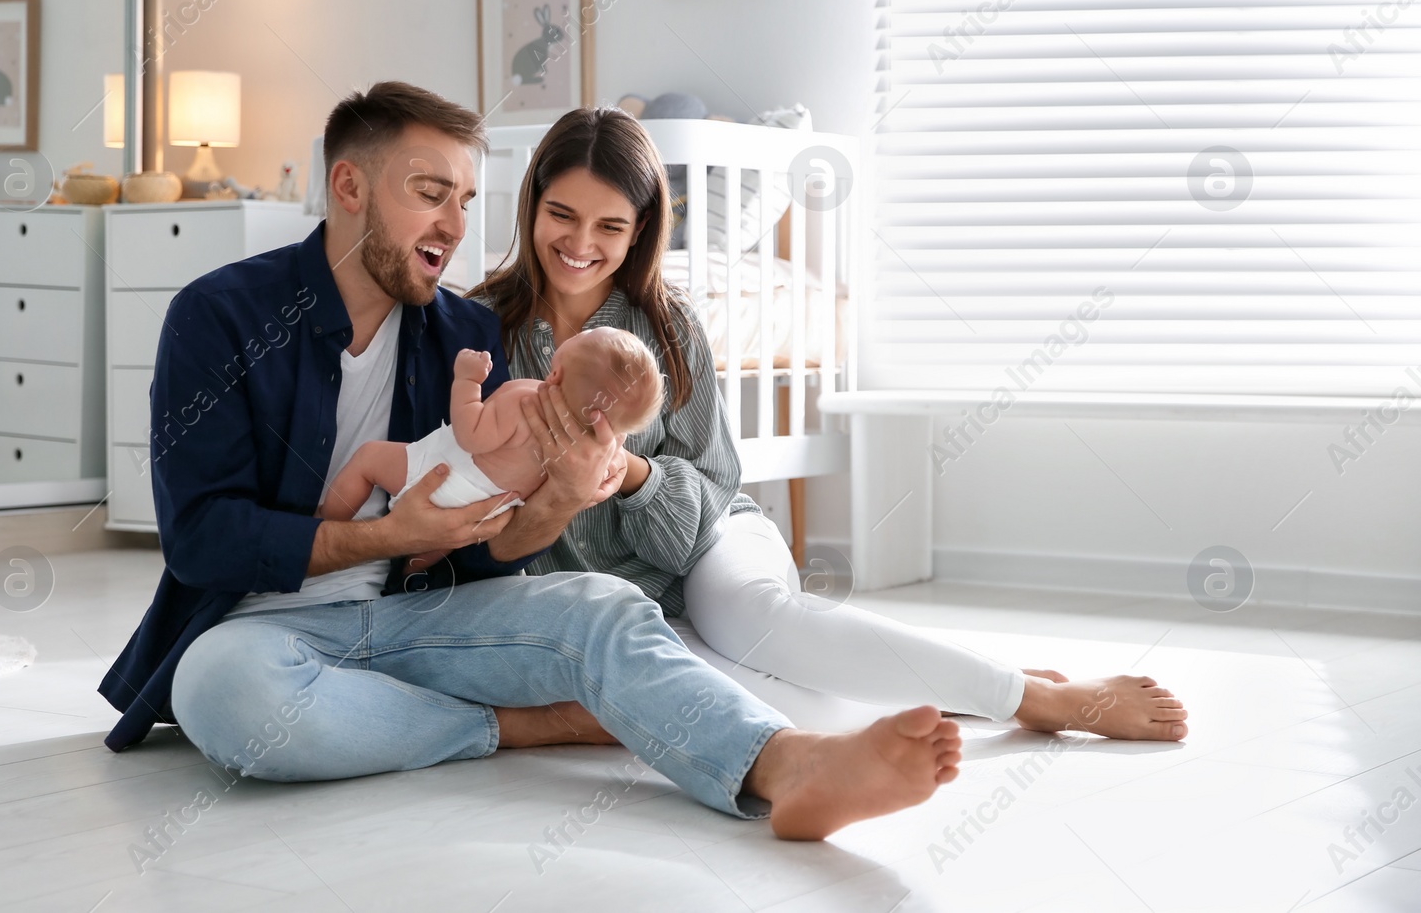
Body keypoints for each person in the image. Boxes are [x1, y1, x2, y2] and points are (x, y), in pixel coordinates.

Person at [97, 81, 964, 842]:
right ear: (349, 186)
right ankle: (529, 725)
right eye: (431, 193)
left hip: (418, 625)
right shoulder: (221, 315)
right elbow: (201, 540)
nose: (454, 224)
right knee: (220, 692)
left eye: (467, 199)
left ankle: (789, 764)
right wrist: (388, 533)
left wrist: (555, 499)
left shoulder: (465, 335)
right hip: (265, 633)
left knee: (601, 603)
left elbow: (484, 550)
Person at [471, 105, 1190, 742]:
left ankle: (1040, 697)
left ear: (641, 231)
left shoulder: (670, 323)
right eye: (562, 214)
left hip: (711, 535)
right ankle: (967, 686)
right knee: (714, 699)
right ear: (532, 204)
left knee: (753, 621)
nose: (579, 242)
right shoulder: (480, 328)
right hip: (607, 594)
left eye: (610, 225)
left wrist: (629, 474)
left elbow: (709, 496)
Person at [317, 328, 663, 522]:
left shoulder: (524, 401)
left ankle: (327, 522)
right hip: (491, 510)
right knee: (439, 541)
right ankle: (417, 564)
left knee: (369, 458)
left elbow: (470, 435)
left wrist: (466, 381)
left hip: (447, 479)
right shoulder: (594, 449)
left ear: (555, 372)